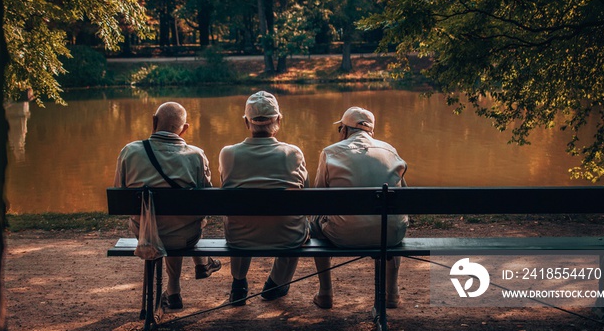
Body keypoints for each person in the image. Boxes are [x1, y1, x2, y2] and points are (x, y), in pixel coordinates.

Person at [114, 101, 221, 309]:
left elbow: (120, 191)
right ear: (185, 129)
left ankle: (175, 291)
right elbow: (207, 198)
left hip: (144, 233)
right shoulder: (196, 155)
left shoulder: (130, 151)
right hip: (185, 237)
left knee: (165, 223)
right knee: (182, 223)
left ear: (154, 122)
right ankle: (181, 283)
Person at [309, 107, 408, 309]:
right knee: (392, 217)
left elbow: (319, 197)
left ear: (344, 130)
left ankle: (326, 293)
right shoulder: (390, 151)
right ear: (371, 132)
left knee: (315, 220)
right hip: (390, 236)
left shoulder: (330, 153)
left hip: (343, 235)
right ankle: (392, 294)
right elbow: (403, 196)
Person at [219, 91, 309, 306]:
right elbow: (303, 188)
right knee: (294, 222)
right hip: (287, 237)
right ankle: (276, 284)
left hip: (240, 237)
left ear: (245, 122)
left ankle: (239, 284)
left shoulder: (228, 154)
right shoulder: (293, 153)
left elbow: (226, 185)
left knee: (240, 216)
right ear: (279, 120)